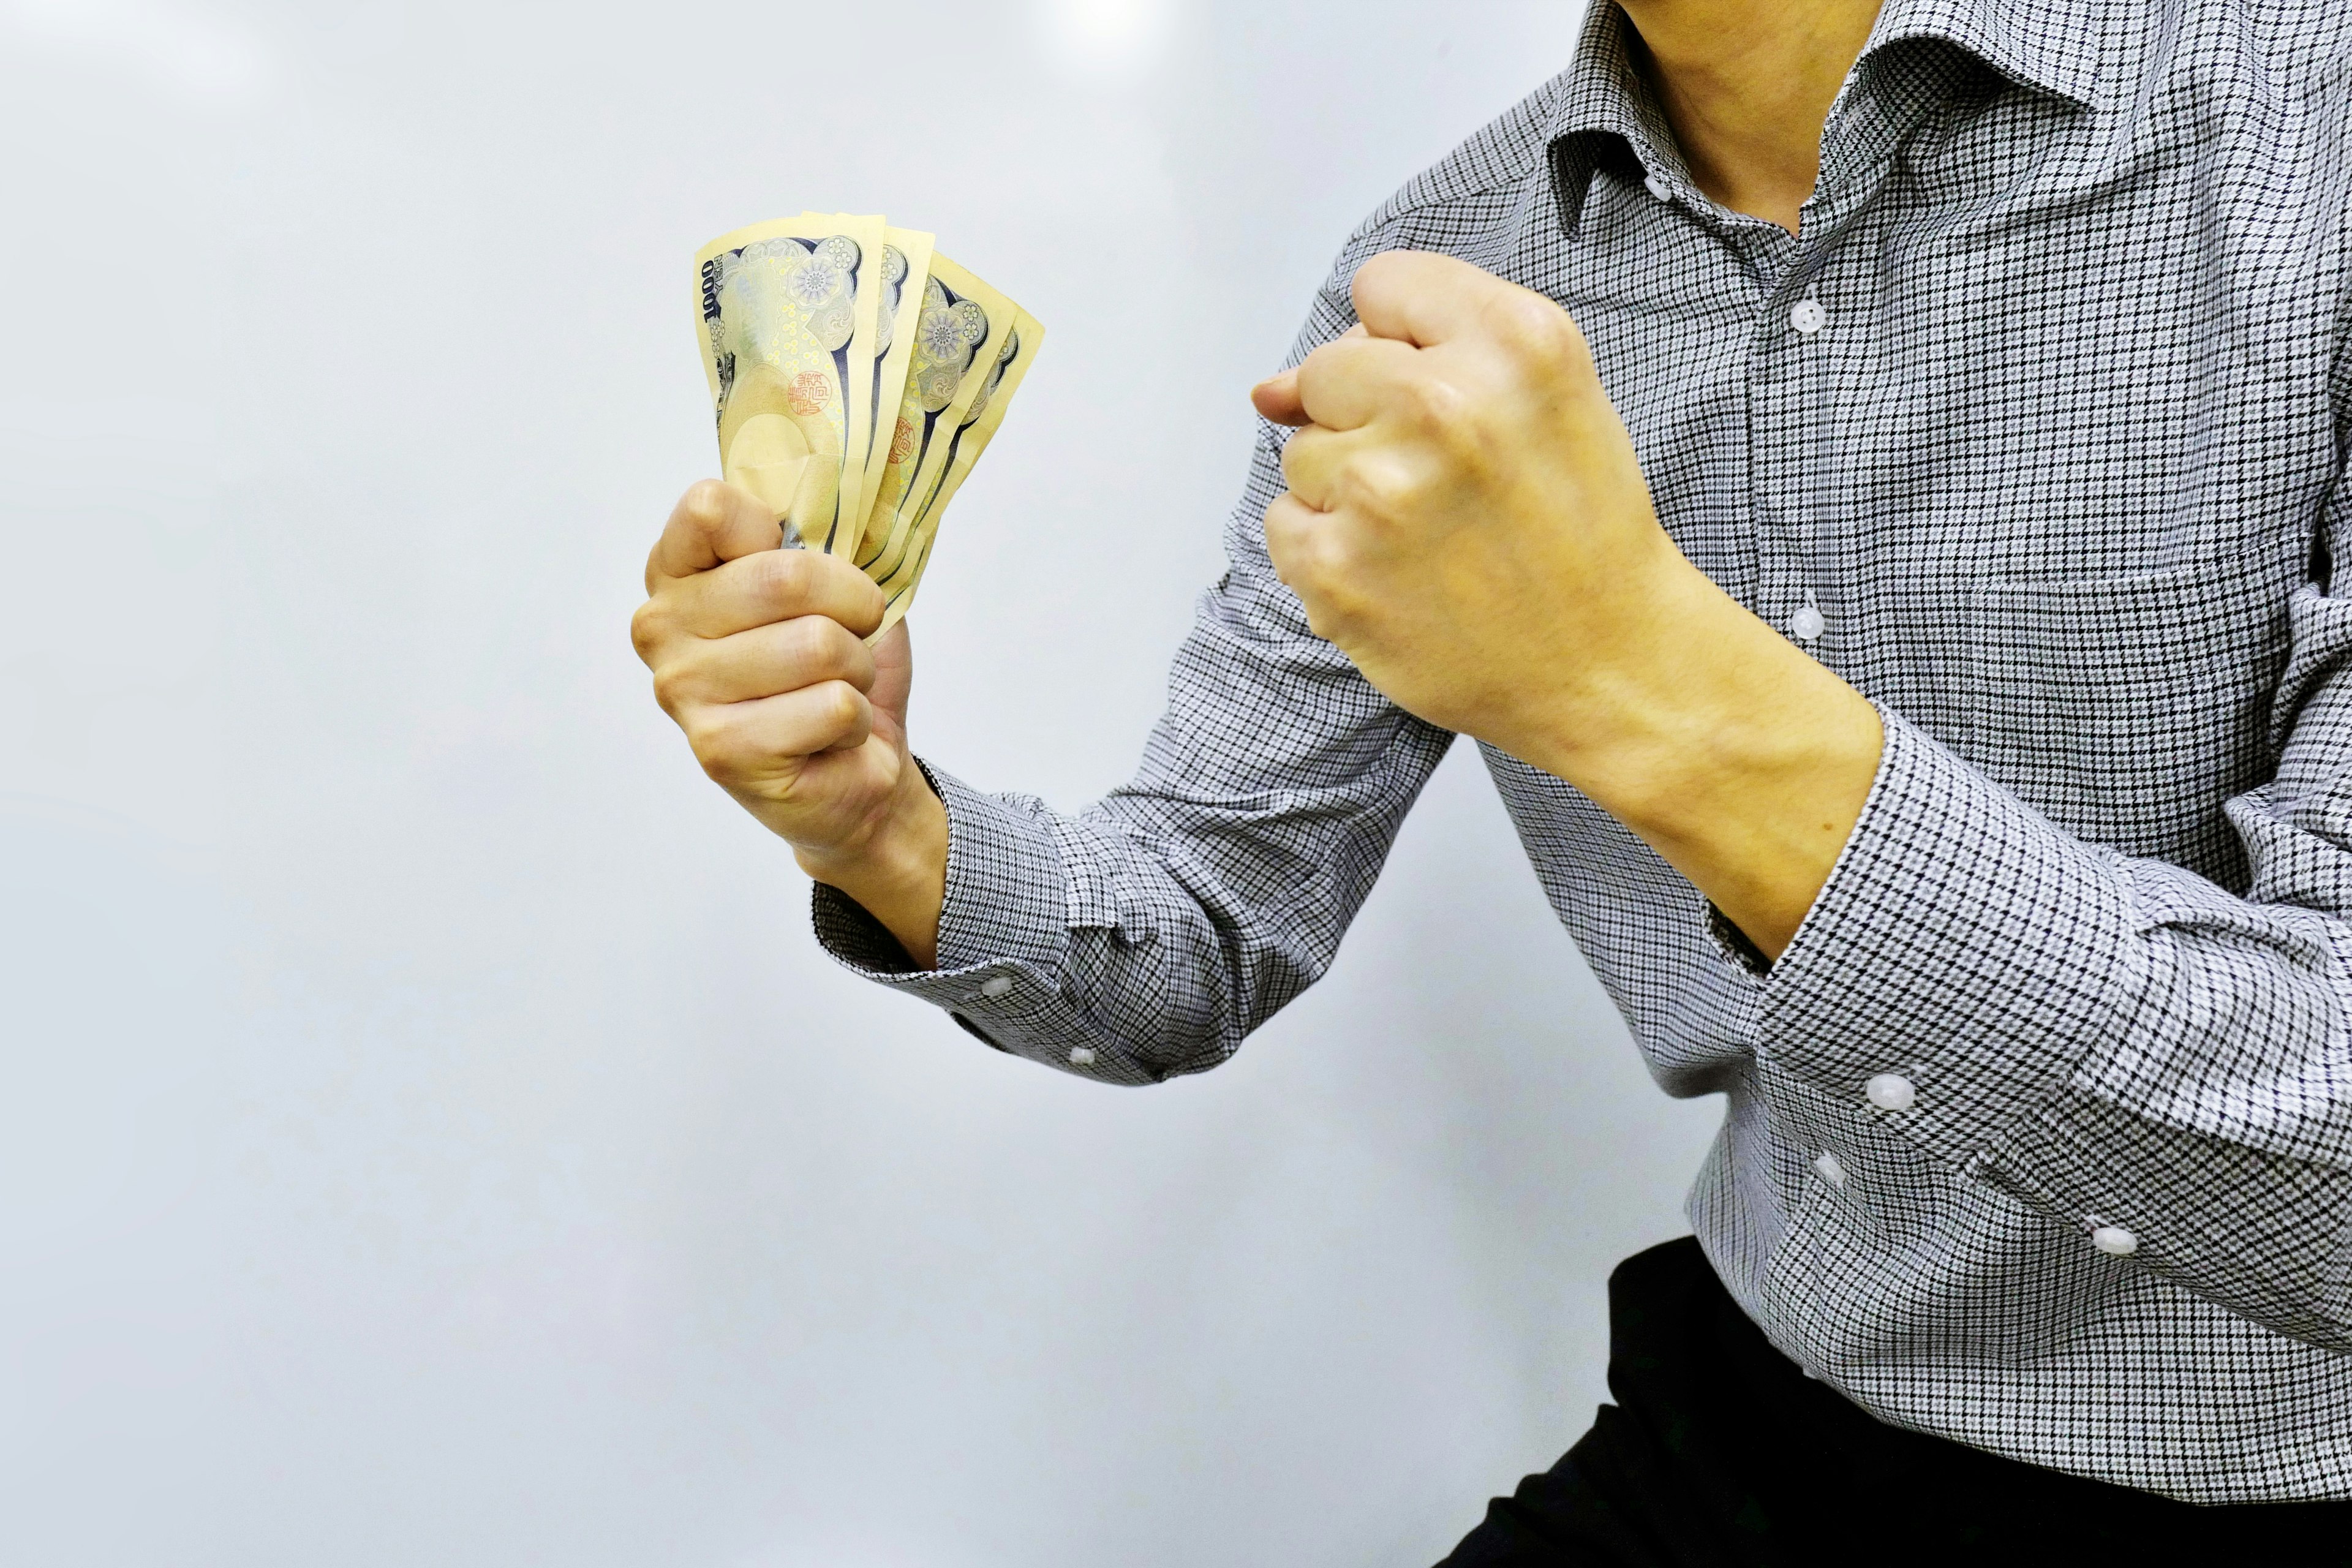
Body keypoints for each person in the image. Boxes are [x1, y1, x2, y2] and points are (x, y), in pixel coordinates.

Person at [630, 0, 2352, 1558]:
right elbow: (1201, 926)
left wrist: (1630, 671)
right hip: (1767, 1421)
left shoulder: (2314, 120)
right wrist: (881, 828)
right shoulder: (1434, 276)